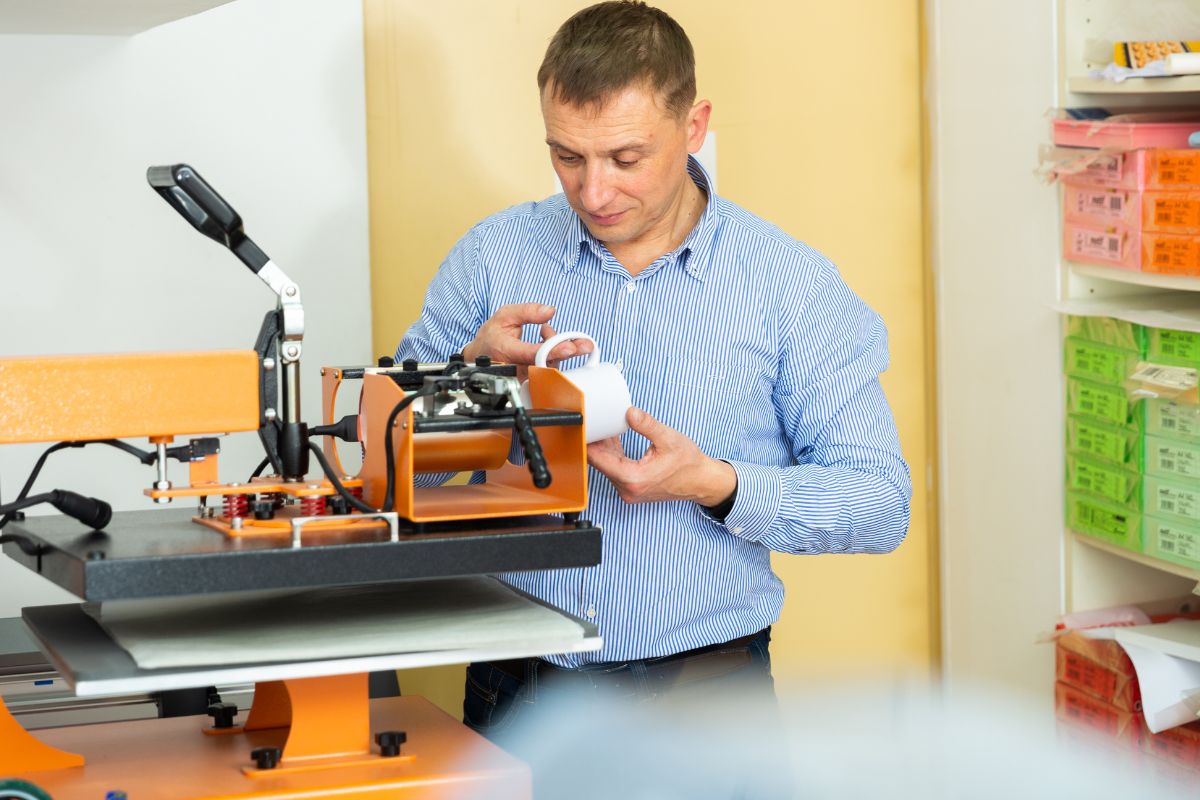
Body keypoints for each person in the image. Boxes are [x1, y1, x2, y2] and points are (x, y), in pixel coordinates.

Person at [396, 0, 911, 785]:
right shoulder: (493, 258)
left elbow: (880, 503)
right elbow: (390, 473)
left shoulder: (790, 284)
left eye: (626, 158)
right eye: (566, 156)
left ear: (694, 125)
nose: (593, 192)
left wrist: (714, 484)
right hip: (518, 689)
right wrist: (469, 381)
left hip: (707, 696)